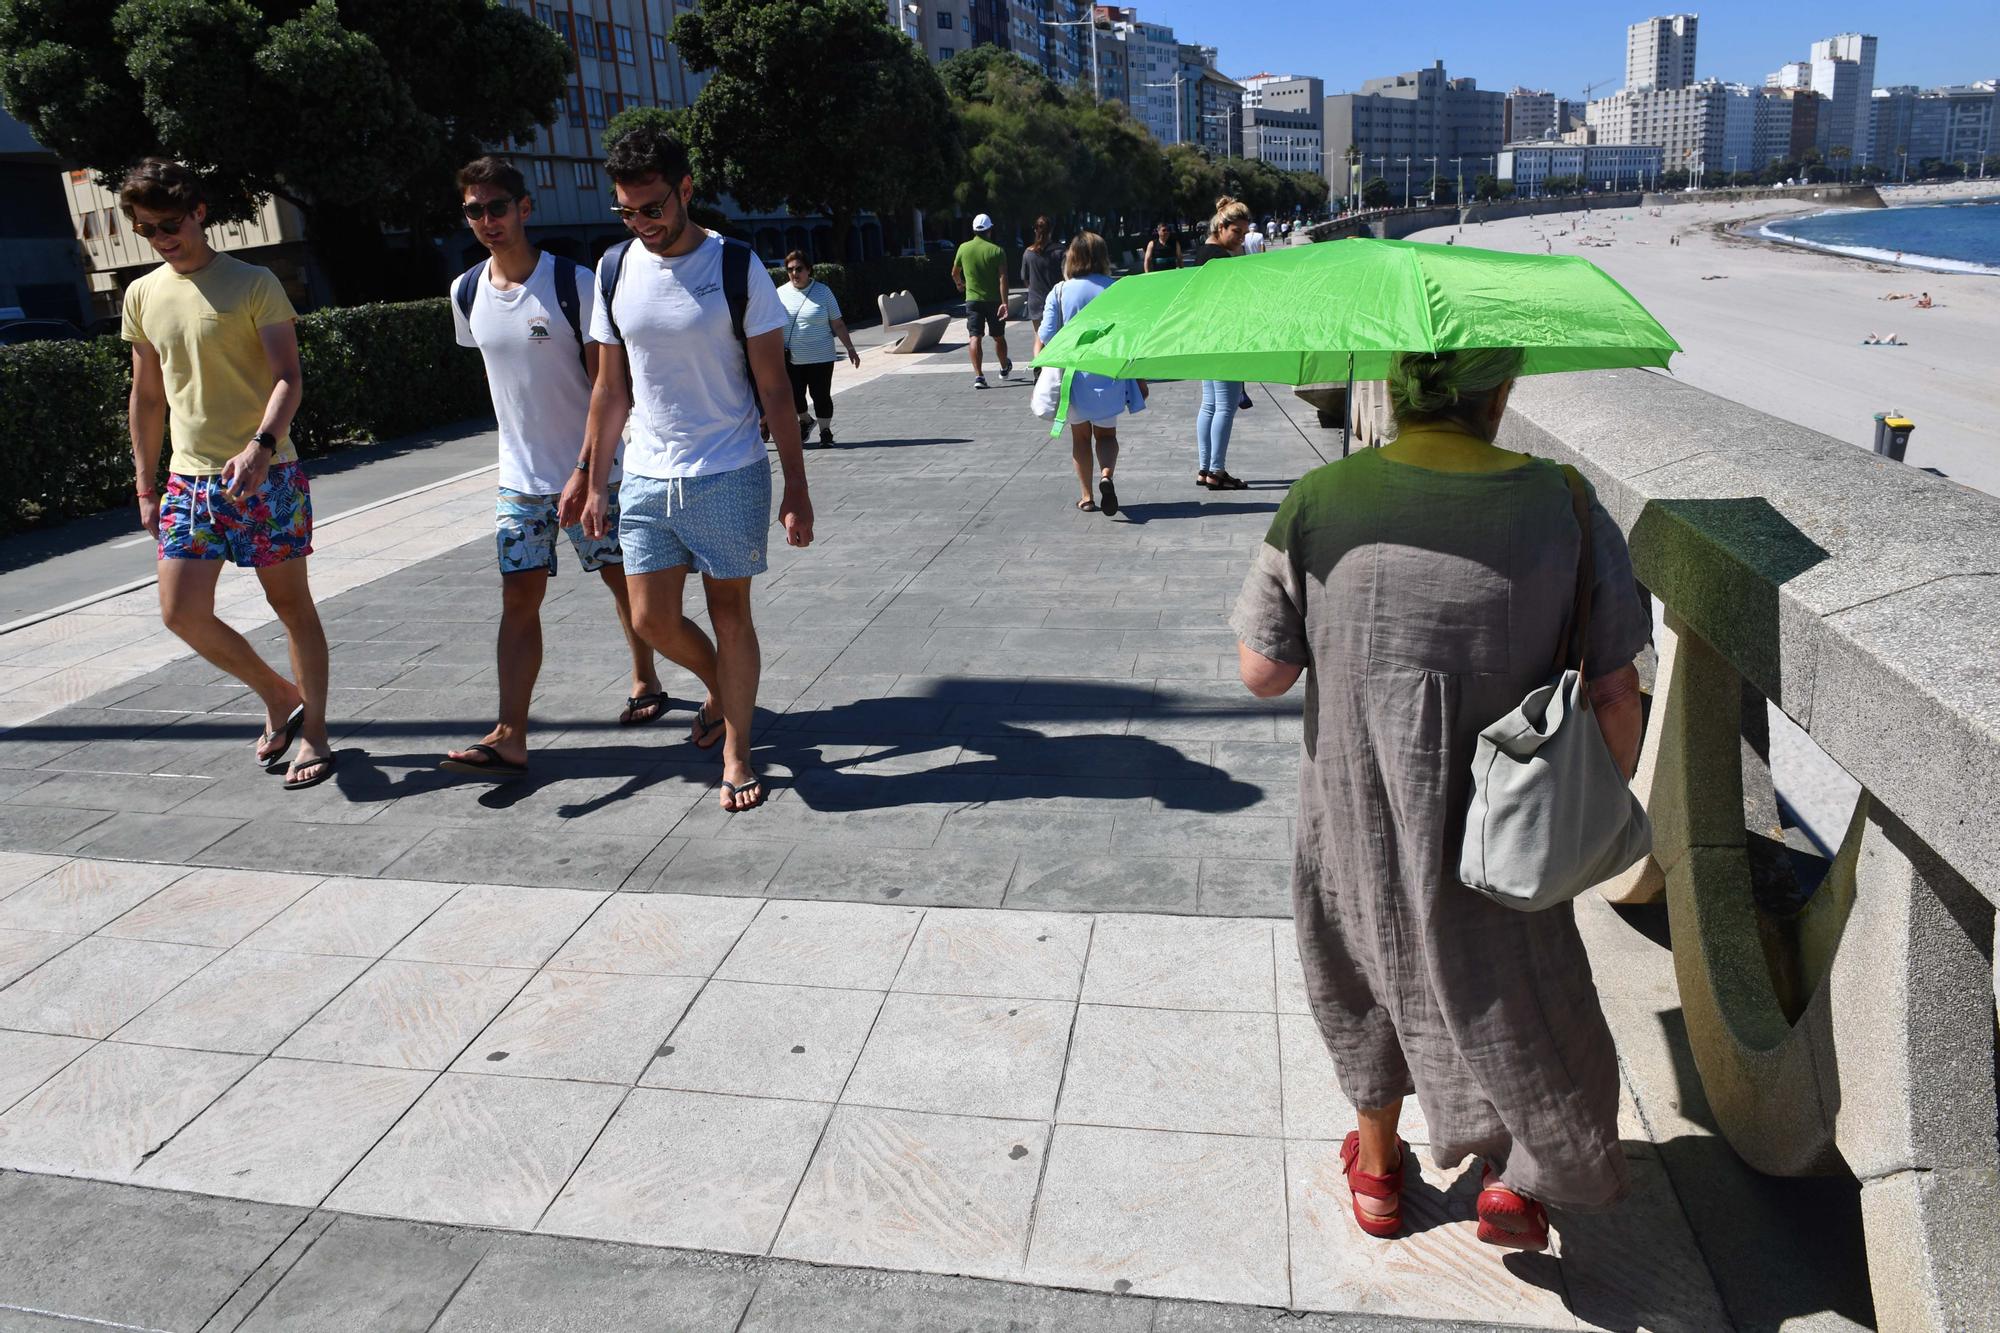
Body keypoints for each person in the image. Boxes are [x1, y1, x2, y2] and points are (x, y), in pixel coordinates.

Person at [1231, 346, 1649, 1251]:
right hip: (1509, 823)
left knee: (1360, 973)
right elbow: (1616, 693)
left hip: (1357, 808)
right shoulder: (1567, 503)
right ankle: (1515, 1181)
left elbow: (1263, 671)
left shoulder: (1322, 499)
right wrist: (1598, 810)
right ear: (1500, 394)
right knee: (1521, 986)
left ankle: (1380, 1175)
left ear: (1399, 389)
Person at [571, 126, 813, 813]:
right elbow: (609, 388)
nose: (641, 224)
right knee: (649, 618)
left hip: (730, 467)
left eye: (653, 208)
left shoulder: (735, 266)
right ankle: (727, 689)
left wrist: (796, 486)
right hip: (647, 472)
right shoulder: (615, 270)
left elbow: (774, 388)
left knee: (729, 614)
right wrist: (594, 479)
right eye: (627, 212)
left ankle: (738, 748)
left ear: (684, 190)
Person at [438, 155, 666, 781]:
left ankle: (648, 677)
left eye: (497, 207)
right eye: (474, 211)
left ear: (524, 209)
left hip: (596, 475)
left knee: (626, 585)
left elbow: (607, 386)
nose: (487, 220)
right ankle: (511, 733)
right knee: (519, 599)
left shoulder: (573, 282)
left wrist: (585, 472)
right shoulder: (465, 293)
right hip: (519, 482)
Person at [120, 158, 334, 791]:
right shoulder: (141, 294)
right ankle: (278, 693)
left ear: (198, 213)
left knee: (290, 604)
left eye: (169, 222)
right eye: (146, 227)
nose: (161, 236)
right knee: (180, 611)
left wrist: (262, 446)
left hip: (268, 474)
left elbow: (288, 377)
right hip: (190, 481)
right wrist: (144, 481)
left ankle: (316, 733)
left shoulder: (253, 282)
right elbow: (147, 395)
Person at [1035, 231, 1147, 516]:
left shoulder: (1060, 291)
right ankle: (1106, 475)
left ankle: (1086, 497)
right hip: (1108, 372)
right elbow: (1132, 337)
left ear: (1071, 257)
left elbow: (1047, 336)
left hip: (1074, 376)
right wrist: (1140, 378)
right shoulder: (1117, 288)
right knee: (1107, 436)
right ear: (1103, 257)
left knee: (1081, 438)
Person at [1189, 196, 1252, 490]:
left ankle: (1204, 468)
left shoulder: (1203, 253)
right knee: (1225, 406)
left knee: (1210, 404)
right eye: (1236, 232)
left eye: (1244, 233)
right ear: (1222, 226)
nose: (1240, 238)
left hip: (1206, 336)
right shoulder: (1221, 259)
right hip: (1224, 338)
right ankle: (1217, 471)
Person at [776, 251, 859, 449]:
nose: (794, 273)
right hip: (791, 357)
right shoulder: (780, 293)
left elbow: (837, 323)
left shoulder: (823, 292)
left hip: (821, 356)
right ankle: (805, 419)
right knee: (794, 396)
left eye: (799, 269)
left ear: (808, 270)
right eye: (790, 270)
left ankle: (825, 431)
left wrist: (850, 348)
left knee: (820, 395)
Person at [952, 213, 1010, 389]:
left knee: (974, 336)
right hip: (993, 301)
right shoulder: (997, 251)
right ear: (990, 230)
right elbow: (1003, 278)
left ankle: (979, 376)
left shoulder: (963, 248)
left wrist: (960, 284)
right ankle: (1004, 367)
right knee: (998, 337)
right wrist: (1004, 302)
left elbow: (954, 273)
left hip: (972, 300)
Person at [1020, 216, 1064, 329]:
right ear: (1051, 231)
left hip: (1035, 301)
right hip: (1056, 300)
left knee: (1039, 337)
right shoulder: (1060, 252)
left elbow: (1025, 277)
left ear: (1035, 230)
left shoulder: (1028, 253)